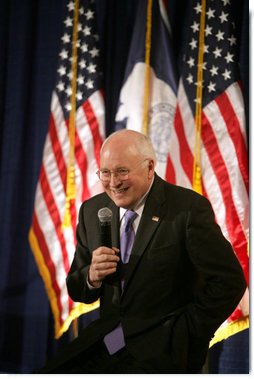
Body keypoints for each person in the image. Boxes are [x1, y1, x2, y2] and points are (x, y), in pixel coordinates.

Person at [38, 129, 246, 374]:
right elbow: (77, 289)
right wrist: (91, 276)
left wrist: (185, 332)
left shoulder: (187, 209)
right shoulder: (93, 211)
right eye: (105, 172)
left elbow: (229, 282)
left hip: (164, 348)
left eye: (122, 171)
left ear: (149, 168)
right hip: (108, 342)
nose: (113, 182)